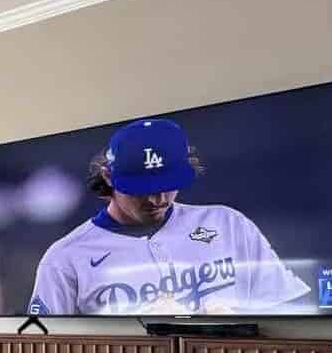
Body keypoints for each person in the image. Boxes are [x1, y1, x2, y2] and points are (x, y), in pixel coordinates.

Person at [28, 118, 311, 316]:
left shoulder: (228, 224)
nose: (157, 199)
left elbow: (290, 306)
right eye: (142, 189)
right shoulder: (64, 258)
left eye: (166, 185)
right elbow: (39, 347)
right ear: (109, 177)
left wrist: (234, 324)